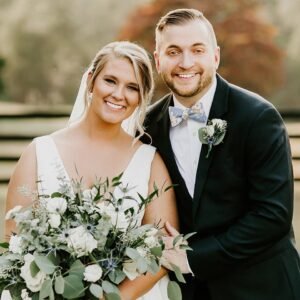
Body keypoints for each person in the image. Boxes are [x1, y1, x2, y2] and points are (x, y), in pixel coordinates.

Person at [141, 8, 300, 300]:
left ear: (215, 56)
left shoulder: (258, 117)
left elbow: (272, 215)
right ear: (158, 59)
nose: (185, 62)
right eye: (173, 51)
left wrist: (192, 258)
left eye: (196, 50)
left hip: (262, 287)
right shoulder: (148, 127)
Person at [5, 41, 179, 300]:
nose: (119, 94)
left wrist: (110, 298)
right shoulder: (39, 152)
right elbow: (14, 241)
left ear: (141, 98)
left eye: (132, 87)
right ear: (90, 81)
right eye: (110, 81)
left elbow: (164, 252)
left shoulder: (149, 162)